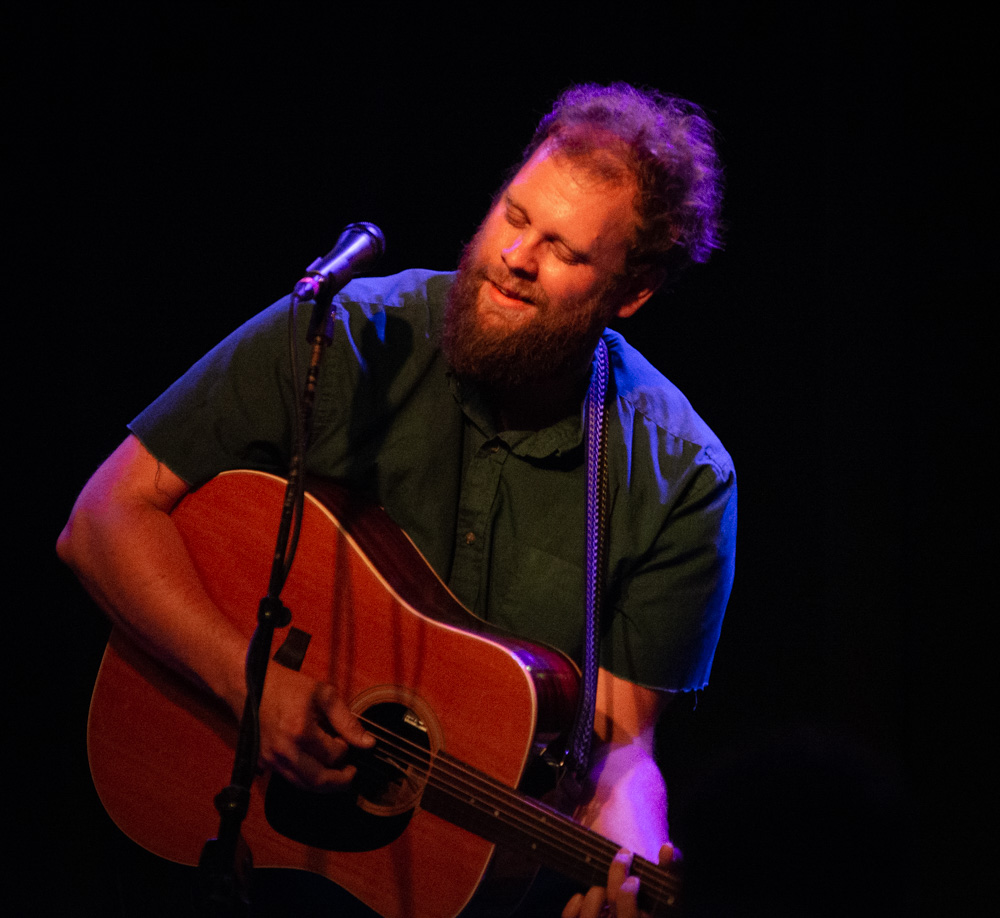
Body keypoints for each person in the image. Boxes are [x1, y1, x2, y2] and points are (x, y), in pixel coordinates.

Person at [58, 82, 736, 918]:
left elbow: (618, 751)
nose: (515, 257)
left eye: (563, 250)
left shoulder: (682, 473)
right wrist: (252, 687)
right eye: (514, 215)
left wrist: (632, 867)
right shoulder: (339, 337)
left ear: (629, 295)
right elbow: (102, 519)